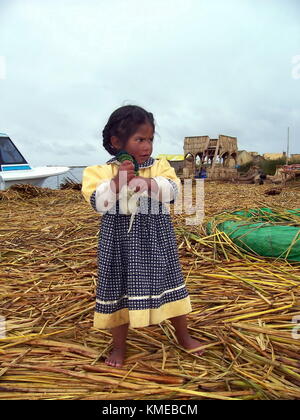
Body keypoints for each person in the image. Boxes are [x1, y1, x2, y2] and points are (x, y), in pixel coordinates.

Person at [81, 105, 204, 368]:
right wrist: (118, 182)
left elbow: (173, 191)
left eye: (150, 139)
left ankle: (184, 336)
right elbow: (98, 202)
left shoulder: (159, 167)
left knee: (172, 285)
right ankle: (119, 348)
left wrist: (148, 184)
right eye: (140, 139)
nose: (147, 145)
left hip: (156, 240)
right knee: (119, 292)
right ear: (117, 142)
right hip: (119, 245)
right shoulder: (99, 172)